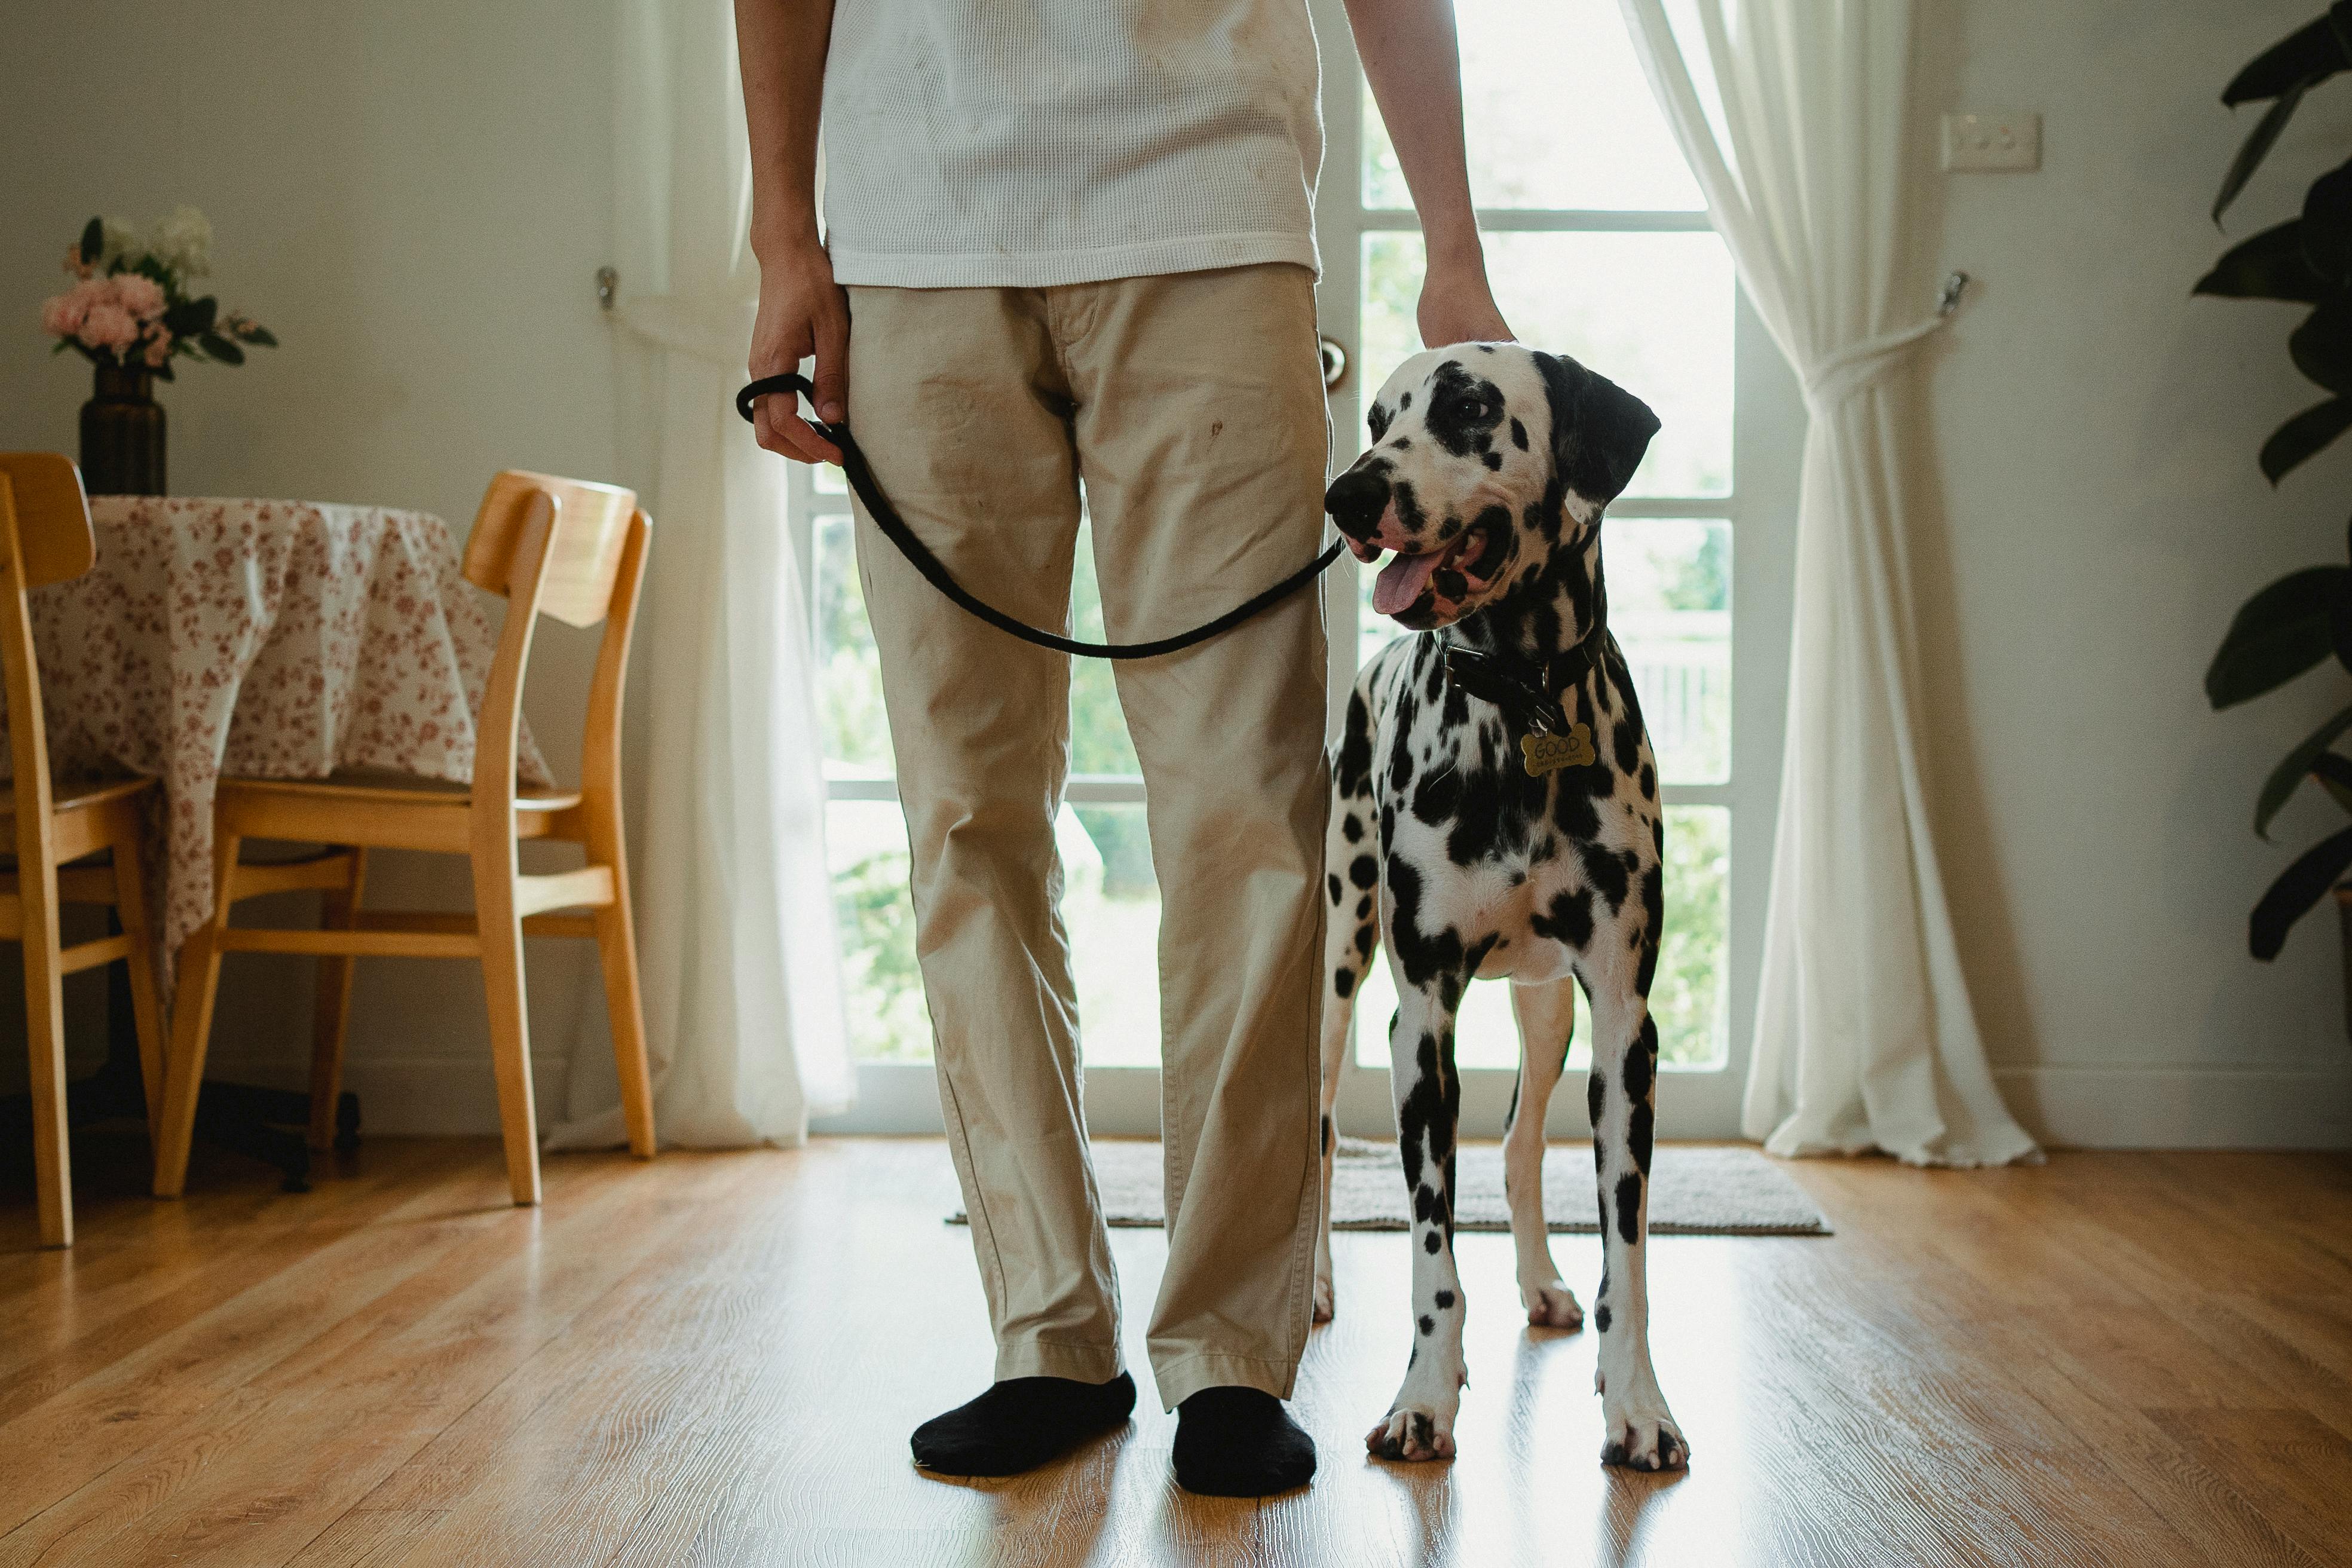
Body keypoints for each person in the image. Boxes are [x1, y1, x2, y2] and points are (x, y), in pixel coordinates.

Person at [737, 0, 1511, 1497]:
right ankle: (1048, 1331)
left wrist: (1454, 238)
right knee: (966, 812)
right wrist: (786, 239)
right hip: (913, 236)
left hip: (1209, 209)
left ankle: (1230, 1350)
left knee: (1251, 817)